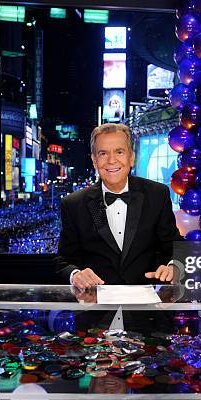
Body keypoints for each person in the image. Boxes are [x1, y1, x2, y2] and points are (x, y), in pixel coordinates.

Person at [55, 123, 183, 289]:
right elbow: (63, 262)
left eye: (119, 152)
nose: (111, 160)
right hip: (95, 307)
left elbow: (174, 246)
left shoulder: (157, 194)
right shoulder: (73, 204)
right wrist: (76, 275)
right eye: (103, 153)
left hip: (147, 308)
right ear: (94, 160)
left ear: (131, 157)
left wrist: (174, 267)